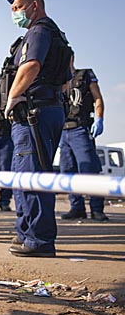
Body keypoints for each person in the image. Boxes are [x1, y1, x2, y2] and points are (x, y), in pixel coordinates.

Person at [2, 0, 73, 257]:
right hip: (48, 109)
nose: (15, 13)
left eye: (18, 7)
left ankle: (38, 239)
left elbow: (30, 65)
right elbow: (66, 79)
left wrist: (12, 97)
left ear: (34, 6)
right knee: (29, 175)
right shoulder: (57, 35)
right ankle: (27, 232)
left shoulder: (39, 31)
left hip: (33, 113)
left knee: (30, 176)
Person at [59, 56, 109, 221]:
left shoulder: (85, 74)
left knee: (89, 170)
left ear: (70, 57)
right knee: (68, 172)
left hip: (80, 129)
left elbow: (97, 98)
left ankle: (97, 209)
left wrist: (99, 118)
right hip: (63, 131)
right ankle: (77, 208)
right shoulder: (58, 79)